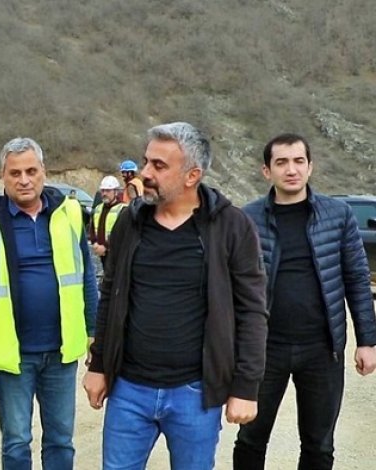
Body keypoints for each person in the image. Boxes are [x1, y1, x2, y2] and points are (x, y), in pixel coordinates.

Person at [83, 122, 268, 469]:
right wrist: (99, 364)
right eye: (146, 161)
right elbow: (111, 295)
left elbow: (252, 312)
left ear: (192, 175)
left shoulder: (231, 226)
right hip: (128, 389)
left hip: (195, 393)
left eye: (159, 165)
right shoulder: (130, 222)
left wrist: (246, 387)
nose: (145, 173)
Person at [233, 133, 376, 469]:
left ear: (310, 167)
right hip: (264, 349)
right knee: (251, 438)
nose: (291, 169)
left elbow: (357, 278)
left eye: (299, 161)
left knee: (319, 445)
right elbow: (231, 285)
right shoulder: (246, 218)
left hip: (322, 349)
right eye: (281, 162)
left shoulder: (338, 215)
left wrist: (367, 340)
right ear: (266, 171)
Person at [0, 137, 98, 470]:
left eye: (31, 171)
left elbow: (86, 279)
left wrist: (95, 332)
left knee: (60, 440)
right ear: (3, 177)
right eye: (15, 173)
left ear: (43, 172)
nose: (24, 180)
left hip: (61, 352)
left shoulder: (69, 214)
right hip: (13, 355)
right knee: (16, 441)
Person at [88, 175, 126, 266]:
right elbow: (92, 228)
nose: (104, 193)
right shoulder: (98, 209)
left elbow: (123, 234)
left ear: (116, 192)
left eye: (108, 191)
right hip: (102, 254)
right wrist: (95, 243)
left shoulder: (123, 209)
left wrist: (106, 246)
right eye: (103, 190)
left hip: (118, 255)